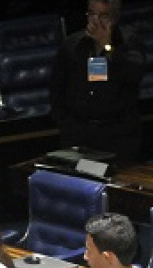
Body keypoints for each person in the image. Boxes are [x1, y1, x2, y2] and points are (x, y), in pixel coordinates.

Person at [50, 0, 145, 163]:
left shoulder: (129, 42)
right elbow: (56, 88)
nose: (95, 20)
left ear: (114, 18)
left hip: (117, 136)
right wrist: (64, 123)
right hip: (78, 134)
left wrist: (106, 46)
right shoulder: (72, 44)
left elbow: (133, 74)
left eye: (103, 15)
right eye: (92, 13)